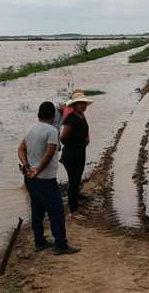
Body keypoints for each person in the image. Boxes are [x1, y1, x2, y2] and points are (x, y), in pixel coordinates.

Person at [18, 101, 80, 255]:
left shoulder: (30, 129)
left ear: (39, 114)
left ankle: (39, 241)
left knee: (37, 210)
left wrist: (27, 166)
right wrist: (38, 169)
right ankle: (61, 244)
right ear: (53, 116)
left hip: (31, 177)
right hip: (45, 178)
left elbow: (20, 149)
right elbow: (50, 152)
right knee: (57, 211)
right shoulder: (52, 131)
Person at [59, 91, 93, 221]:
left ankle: (75, 206)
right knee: (73, 182)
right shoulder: (71, 118)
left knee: (76, 180)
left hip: (79, 152)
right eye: (81, 104)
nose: (83, 106)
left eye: (84, 103)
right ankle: (72, 212)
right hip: (72, 155)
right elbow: (63, 137)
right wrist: (73, 146)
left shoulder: (81, 116)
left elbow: (85, 130)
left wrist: (85, 140)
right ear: (74, 105)